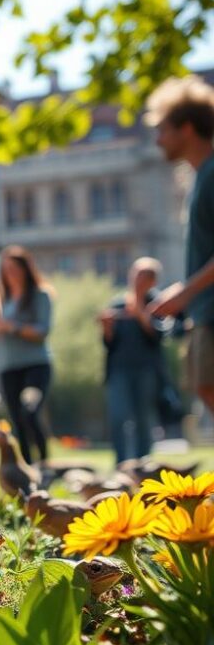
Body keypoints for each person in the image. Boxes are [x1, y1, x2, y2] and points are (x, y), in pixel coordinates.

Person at [146, 76, 214, 416]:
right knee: (205, 387)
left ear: (186, 128)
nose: (157, 140)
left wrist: (185, 292)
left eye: (162, 129)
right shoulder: (201, 175)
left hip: (210, 311)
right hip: (204, 311)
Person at [101, 257, 174, 463]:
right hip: (118, 370)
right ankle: (122, 464)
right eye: (138, 274)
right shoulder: (117, 303)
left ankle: (144, 464)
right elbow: (109, 343)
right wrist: (106, 327)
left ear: (153, 280)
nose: (140, 280)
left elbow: (158, 336)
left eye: (146, 276)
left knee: (144, 419)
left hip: (147, 371)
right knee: (118, 417)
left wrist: (140, 312)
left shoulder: (158, 304)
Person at [0, 245, 54, 465]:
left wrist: (14, 327)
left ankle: (45, 462)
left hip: (35, 366)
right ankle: (26, 468)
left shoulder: (40, 295)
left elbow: (42, 331)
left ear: (26, 269)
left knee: (30, 411)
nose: (11, 274)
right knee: (17, 420)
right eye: (7, 269)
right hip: (8, 367)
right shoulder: (2, 301)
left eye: (15, 268)